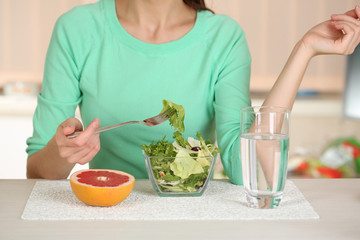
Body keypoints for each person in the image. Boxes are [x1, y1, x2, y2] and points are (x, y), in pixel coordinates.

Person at [26, 0, 360, 185]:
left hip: (193, 214)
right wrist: (64, 151)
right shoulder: (77, 29)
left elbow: (245, 168)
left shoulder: (222, 38)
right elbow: (38, 171)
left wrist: (305, 49)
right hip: (106, 208)